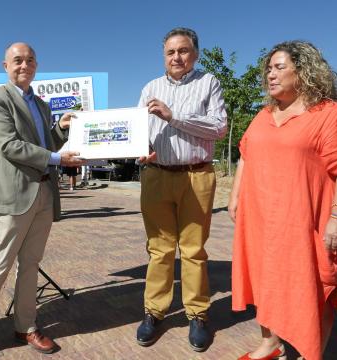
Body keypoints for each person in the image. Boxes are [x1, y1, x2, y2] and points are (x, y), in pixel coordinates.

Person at [228, 41, 337, 360]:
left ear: (305, 71)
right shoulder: (264, 115)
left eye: (280, 67)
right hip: (261, 224)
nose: (271, 74)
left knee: (314, 288)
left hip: (306, 222)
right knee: (265, 283)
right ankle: (270, 344)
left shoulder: (329, 113)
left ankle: (311, 354)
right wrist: (235, 196)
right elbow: (245, 155)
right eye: (268, 68)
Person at [0, 42, 84, 360]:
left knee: (30, 264)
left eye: (30, 60)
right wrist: (57, 156)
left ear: (36, 65)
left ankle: (25, 325)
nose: (24, 65)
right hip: (14, 194)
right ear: (5, 65)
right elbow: (9, 145)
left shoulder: (42, 105)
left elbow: (45, 142)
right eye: (18, 60)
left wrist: (61, 128)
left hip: (44, 192)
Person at [135, 27, 227, 352]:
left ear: (195, 54)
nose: (177, 57)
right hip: (156, 175)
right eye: (171, 52)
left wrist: (174, 117)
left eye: (183, 50)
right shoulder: (150, 87)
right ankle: (155, 312)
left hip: (196, 175)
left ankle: (197, 313)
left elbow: (219, 127)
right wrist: (139, 147)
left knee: (193, 250)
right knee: (158, 249)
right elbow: (139, 130)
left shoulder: (209, 82)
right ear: (164, 55)